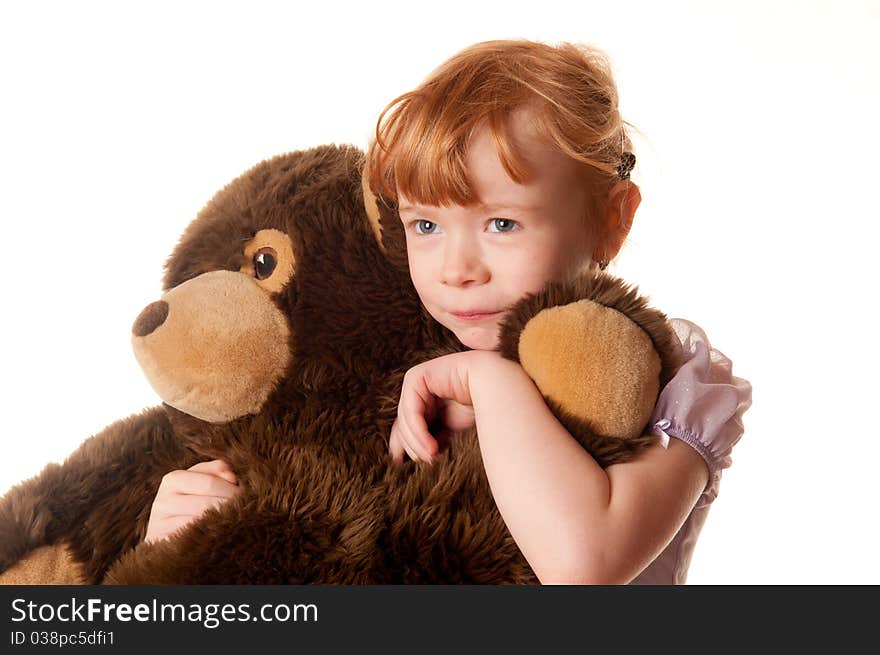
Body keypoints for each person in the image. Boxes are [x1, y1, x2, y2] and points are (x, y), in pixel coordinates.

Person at [145, 39, 752, 584]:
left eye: (502, 223)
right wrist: (189, 539)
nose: (457, 269)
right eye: (426, 225)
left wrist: (490, 380)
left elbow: (583, 567)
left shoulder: (668, 380)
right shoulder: (408, 368)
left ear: (612, 220)